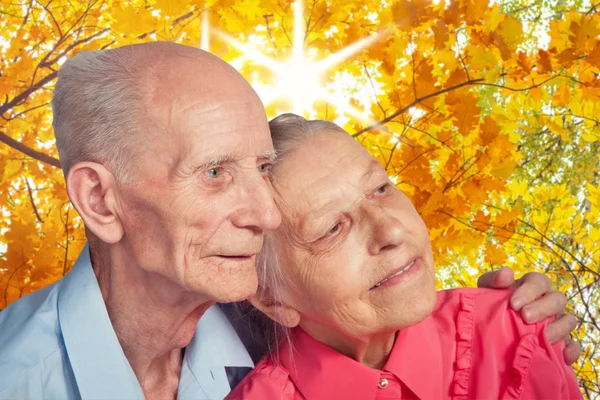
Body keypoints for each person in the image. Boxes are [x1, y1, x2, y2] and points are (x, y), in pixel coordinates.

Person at [0, 42, 579, 400]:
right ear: (101, 202)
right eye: (215, 172)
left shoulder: (258, 306)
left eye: (261, 167)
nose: (268, 212)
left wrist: (512, 329)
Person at [226, 114, 582, 399]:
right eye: (332, 228)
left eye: (381, 189)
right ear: (274, 299)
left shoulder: (514, 332)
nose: (391, 232)